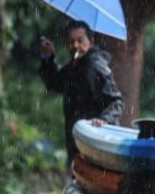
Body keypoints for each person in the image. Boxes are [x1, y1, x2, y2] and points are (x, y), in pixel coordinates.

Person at [39, 20, 123, 165]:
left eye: (80, 41)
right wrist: (48, 58)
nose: (75, 46)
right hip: (77, 142)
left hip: (96, 142)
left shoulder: (95, 66)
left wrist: (105, 119)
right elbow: (54, 83)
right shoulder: (74, 67)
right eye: (71, 42)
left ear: (90, 41)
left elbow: (116, 102)